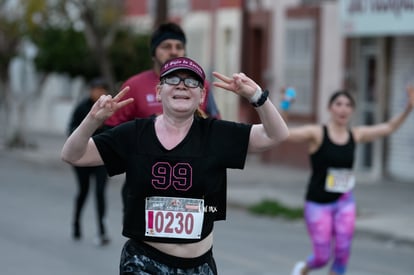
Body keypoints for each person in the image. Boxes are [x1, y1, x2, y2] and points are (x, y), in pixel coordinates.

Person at [61, 56, 288, 274]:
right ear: (159, 92)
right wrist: (92, 121)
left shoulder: (216, 134)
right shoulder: (134, 134)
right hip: (144, 262)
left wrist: (257, 96)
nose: (181, 85)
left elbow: (276, 135)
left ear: (202, 95)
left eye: (191, 81)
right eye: (172, 79)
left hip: (200, 265)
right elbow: (73, 155)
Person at [288, 86, 414, 275]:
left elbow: (388, 128)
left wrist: (408, 108)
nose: (343, 109)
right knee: (322, 257)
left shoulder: (356, 134)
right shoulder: (316, 133)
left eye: (348, 105)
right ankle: (303, 269)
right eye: (338, 104)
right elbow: (285, 133)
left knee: (342, 252)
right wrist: (285, 106)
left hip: (344, 201)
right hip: (318, 202)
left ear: (352, 111)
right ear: (329, 108)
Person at [104, 22, 221, 211]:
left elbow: (215, 127)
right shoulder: (134, 86)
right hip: (142, 185)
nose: (174, 51)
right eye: (166, 47)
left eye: (179, 47)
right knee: (141, 240)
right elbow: (111, 132)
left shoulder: (201, 86)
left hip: (189, 183)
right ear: (153, 52)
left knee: (188, 240)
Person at [67, 78, 111, 246]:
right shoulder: (82, 108)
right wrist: (88, 129)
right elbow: (70, 130)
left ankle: (102, 230)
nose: (98, 93)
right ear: (91, 91)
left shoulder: (110, 109)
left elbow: (116, 131)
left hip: (101, 158)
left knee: (100, 192)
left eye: (102, 89)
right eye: (96, 89)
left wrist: (103, 128)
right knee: (83, 191)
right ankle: (76, 223)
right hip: (82, 159)